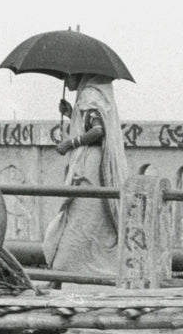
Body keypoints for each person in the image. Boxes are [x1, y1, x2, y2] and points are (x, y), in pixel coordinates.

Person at [41, 73, 130, 278]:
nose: (65, 82)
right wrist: (71, 113)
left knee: (77, 221)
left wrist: (69, 144)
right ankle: (61, 276)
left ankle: (59, 275)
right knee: (82, 221)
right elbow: (90, 124)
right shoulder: (90, 96)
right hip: (92, 165)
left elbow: (98, 131)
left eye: (66, 77)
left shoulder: (89, 95)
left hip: (89, 167)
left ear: (77, 75)